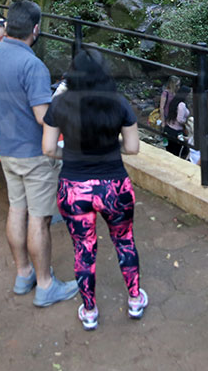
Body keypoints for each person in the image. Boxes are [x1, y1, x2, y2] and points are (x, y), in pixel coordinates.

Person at [0, 0, 79, 306]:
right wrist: (60, 100)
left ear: (8, 25)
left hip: (6, 148)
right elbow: (42, 116)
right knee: (40, 219)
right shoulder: (33, 65)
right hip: (34, 153)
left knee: (16, 209)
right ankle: (46, 285)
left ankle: (24, 274)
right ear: (36, 29)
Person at [41, 49, 148, 330]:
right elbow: (133, 147)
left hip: (74, 189)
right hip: (114, 186)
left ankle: (89, 311)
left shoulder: (60, 104)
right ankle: (135, 299)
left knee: (83, 249)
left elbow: (49, 148)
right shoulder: (118, 103)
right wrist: (112, 150)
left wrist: (74, 157)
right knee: (124, 241)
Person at [163, 85, 190, 158]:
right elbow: (180, 119)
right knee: (181, 152)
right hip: (176, 132)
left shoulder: (174, 101)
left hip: (168, 128)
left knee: (170, 152)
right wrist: (188, 122)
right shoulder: (181, 105)